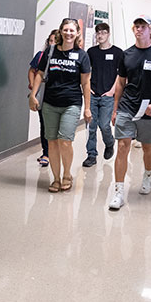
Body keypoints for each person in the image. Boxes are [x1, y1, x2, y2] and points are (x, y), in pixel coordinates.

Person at [108, 16, 151, 210]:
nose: (139, 30)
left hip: (149, 110)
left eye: (143, 27)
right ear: (133, 29)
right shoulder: (126, 54)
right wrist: (115, 108)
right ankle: (119, 192)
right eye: (136, 27)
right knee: (123, 146)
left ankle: (147, 176)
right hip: (127, 107)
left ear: (149, 30)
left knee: (147, 147)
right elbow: (120, 82)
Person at [29, 18, 91, 192]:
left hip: (71, 103)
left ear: (77, 33)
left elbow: (86, 84)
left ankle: (67, 174)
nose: (68, 33)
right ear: (61, 31)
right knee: (52, 141)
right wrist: (33, 95)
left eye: (72, 30)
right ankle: (55, 178)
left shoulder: (82, 55)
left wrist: (87, 108)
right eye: (65, 30)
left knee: (65, 141)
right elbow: (40, 74)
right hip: (50, 103)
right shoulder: (51, 52)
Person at [83, 22, 123, 167]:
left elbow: (121, 75)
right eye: (98, 33)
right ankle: (91, 155)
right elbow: (86, 72)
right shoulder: (91, 52)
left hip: (108, 95)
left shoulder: (118, 53)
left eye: (103, 33)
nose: (100, 36)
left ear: (108, 34)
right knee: (91, 125)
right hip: (93, 94)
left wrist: (112, 91)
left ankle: (109, 142)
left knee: (104, 125)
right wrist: (88, 89)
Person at [29, 29, 58, 167]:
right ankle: (46, 152)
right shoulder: (41, 55)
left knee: (55, 127)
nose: (52, 43)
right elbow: (32, 71)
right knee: (44, 124)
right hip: (43, 93)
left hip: (57, 95)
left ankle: (54, 152)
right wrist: (32, 86)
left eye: (55, 41)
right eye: (50, 41)